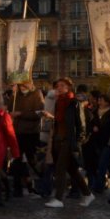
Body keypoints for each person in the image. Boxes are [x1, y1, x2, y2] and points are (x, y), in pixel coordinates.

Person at [44, 77, 94, 209]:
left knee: (60, 168)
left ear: (68, 88)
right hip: (59, 138)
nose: (58, 88)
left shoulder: (74, 103)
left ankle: (59, 198)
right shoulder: (58, 102)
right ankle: (87, 193)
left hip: (69, 140)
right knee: (71, 169)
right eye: (57, 86)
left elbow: (81, 124)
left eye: (62, 86)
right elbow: (59, 120)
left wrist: (78, 141)